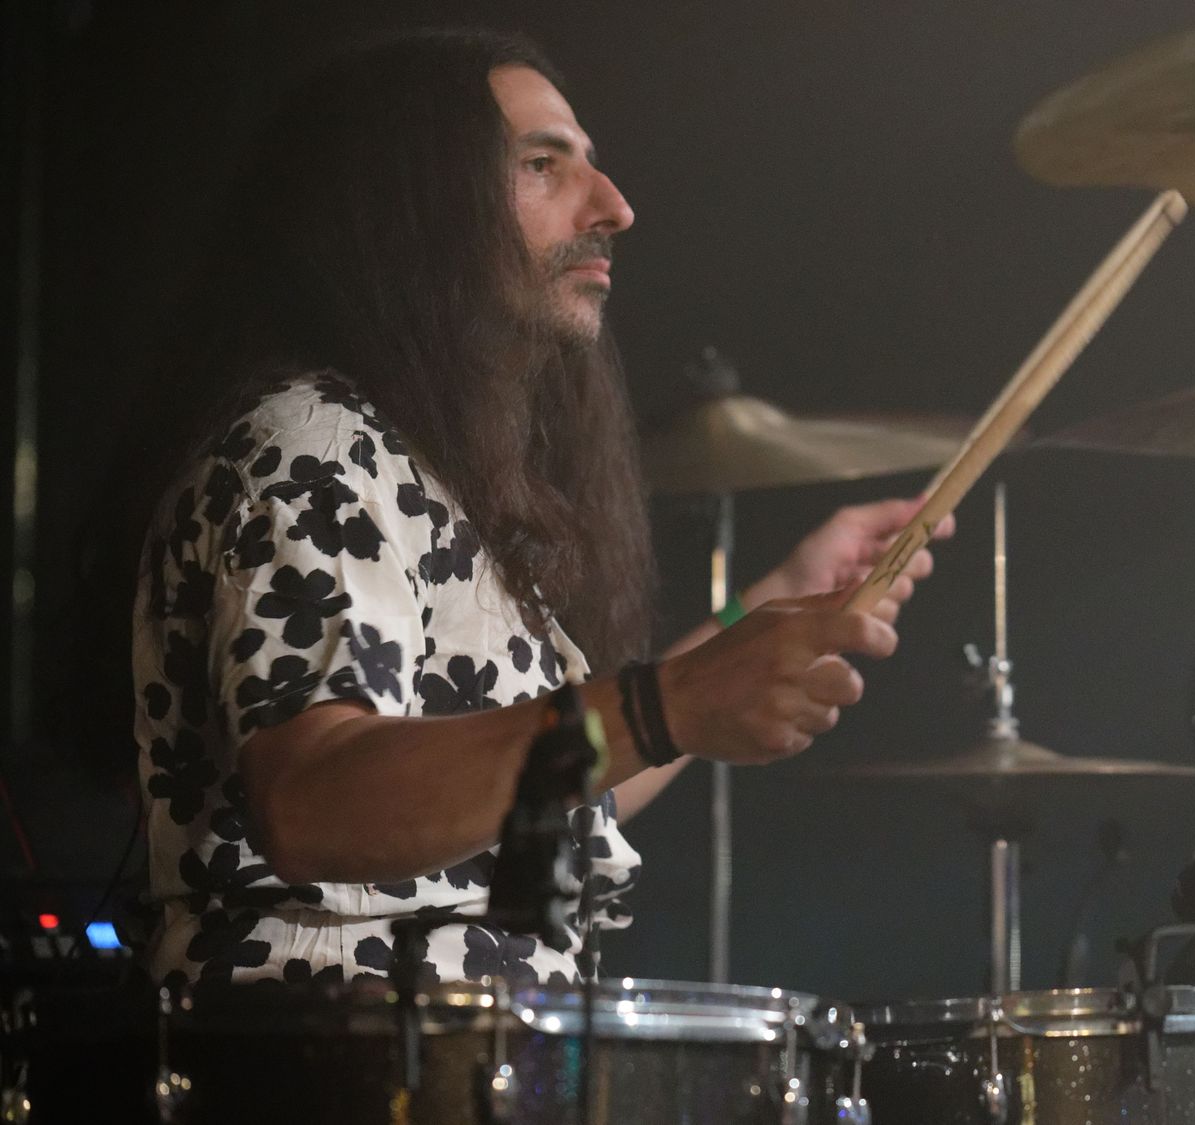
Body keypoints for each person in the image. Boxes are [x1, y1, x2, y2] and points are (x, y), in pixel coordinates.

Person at [125, 29, 949, 990]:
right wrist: (669, 702)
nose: (614, 207)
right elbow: (316, 801)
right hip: (326, 1048)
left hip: (456, 1052)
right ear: (412, 206)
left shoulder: (423, 470)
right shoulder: (315, 450)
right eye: (542, 165)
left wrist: (773, 599)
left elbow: (555, 784)